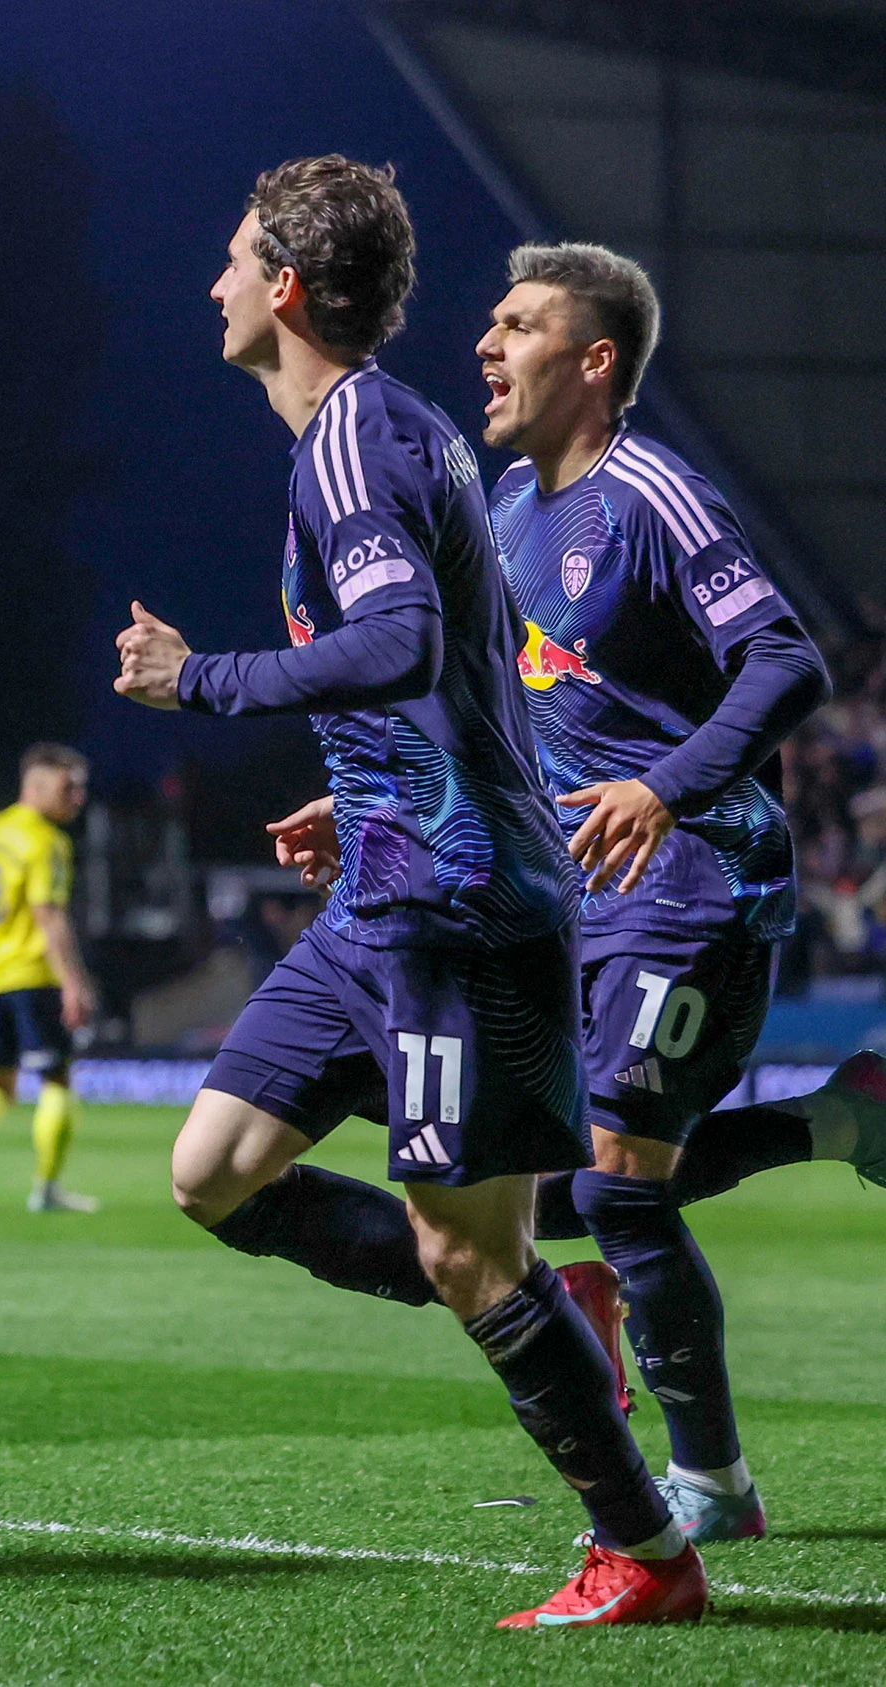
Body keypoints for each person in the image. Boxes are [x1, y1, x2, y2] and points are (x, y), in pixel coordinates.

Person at [113, 157, 702, 1627]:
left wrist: (204, 681)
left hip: (458, 910)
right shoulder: (384, 434)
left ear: (290, 289)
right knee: (212, 1172)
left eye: (237, 260)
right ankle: (543, 1301)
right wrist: (367, 780)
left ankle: (644, 1546)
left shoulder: (352, 442)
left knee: (456, 1249)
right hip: (386, 881)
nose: (217, 284)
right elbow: (466, 663)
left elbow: (393, 637)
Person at [477, 241, 850, 1545]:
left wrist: (667, 786)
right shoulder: (506, 511)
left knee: (623, 1186)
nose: (486, 344)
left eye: (517, 324)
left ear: (595, 362)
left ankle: (712, 1485)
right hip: (569, 896)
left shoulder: (652, 493)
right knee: (536, 1194)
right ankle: (834, 1124)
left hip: (694, 875)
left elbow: (785, 658)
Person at [0, 745, 98, 1214]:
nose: (78, 797)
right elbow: (48, 915)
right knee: (56, 1080)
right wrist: (74, 981)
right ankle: (46, 1189)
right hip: (33, 974)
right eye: (69, 787)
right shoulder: (46, 841)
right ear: (37, 785)